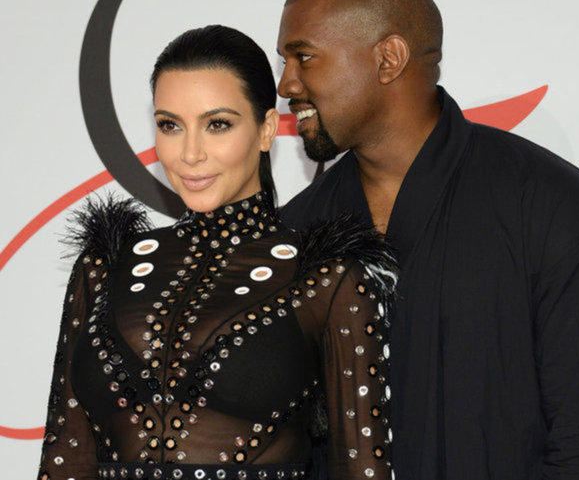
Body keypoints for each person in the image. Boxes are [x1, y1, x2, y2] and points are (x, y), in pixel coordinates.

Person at [277, 0, 579, 480]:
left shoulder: (547, 201)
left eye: (304, 57)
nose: (286, 83)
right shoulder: (295, 231)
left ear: (388, 58)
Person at [37, 25, 397, 480]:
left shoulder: (326, 277)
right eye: (170, 125)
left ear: (266, 130)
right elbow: (66, 457)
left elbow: (361, 468)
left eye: (217, 124)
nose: (190, 154)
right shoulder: (105, 267)